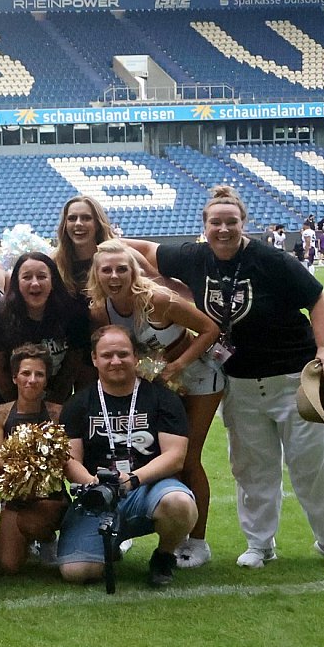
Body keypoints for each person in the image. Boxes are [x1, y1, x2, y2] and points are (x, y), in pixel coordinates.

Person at [129, 186, 324, 572]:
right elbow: (145, 250)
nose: (223, 229)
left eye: (230, 222)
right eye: (215, 222)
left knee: (313, 466)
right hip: (240, 383)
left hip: (293, 378)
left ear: (243, 223)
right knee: (251, 467)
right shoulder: (194, 256)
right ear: (204, 225)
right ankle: (260, 543)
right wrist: (102, 239)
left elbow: (317, 299)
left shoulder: (271, 259)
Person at [86, 240, 223, 569]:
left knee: (189, 459)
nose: (115, 276)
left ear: (133, 270)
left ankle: (198, 542)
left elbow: (209, 329)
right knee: (155, 456)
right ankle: (134, 524)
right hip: (161, 384)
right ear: (97, 275)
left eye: (122, 269)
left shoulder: (156, 300)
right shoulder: (99, 310)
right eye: (107, 270)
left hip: (198, 377)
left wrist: (179, 364)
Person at [57, 326, 197, 588]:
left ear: (136, 357)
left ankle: (164, 556)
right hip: (97, 494)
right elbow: (70, 460)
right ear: (94, 359)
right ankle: (108, 544)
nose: (116, 361)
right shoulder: (78, 403)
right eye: (107, 355)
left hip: (148, 488)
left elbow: (175, 456)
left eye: (123, 354)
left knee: (179, 503)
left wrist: (133, 478)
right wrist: (96, 486)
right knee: (77, 572)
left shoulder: (162, 398)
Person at [0, 346, 67, 574]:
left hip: (49, 496)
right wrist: (27, 466)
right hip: (16, 497)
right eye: (25, 374)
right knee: (7, 565)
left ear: (46, 379)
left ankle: (48, 537)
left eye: (39, 374)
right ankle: (25, 536)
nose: (32, 380)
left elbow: (65, 459)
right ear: (14, 377)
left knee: (37, 520)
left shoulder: (58, 413)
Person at [0, 252, 88, 405]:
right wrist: (19, 409)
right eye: (27, 277)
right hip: (9, 401)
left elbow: (71, 369)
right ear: (16, 282)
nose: (35, 283)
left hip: (57, 401)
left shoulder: (72, 314)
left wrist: (52, 405)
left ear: (53, 281)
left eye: (42, 277)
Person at [54, 195, 113, 302]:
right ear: (65, 225)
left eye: (86, 218)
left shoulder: (116, 257)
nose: (78, 223)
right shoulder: (54, 262)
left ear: (98, 224)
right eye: (72, 218)